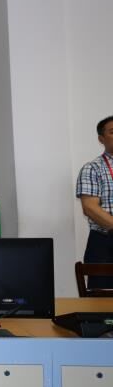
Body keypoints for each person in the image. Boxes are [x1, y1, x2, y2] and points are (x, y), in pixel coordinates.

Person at [76, 115, 113, 288]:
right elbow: (90, 208)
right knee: (102, 300)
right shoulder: (92, 168)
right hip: (105, 243)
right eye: (112, 132)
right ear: (101, 139)